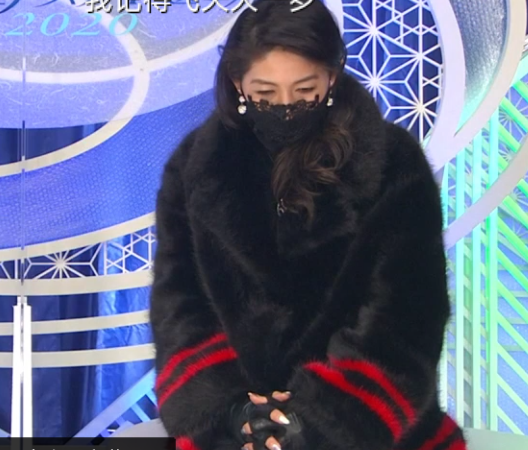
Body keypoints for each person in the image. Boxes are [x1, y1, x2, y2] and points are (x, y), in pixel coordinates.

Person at [149, 1, 465, 450]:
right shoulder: (192, 168)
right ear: (238, 83)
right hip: (235, 430)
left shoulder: (394, 162)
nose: (285, 107)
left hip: (365, 430)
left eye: (304, 90)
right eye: (265, 92)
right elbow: (178, 301)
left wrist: (321, 419)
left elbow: (407, 312)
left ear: (331, 77)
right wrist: (232, 410)